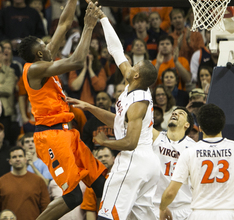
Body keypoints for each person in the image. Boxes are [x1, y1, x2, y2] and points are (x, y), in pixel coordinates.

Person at [67, 8, 160, 220]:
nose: (129, 64)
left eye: (133, 64)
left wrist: (105, 142)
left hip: (133, 160)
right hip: (148, 165)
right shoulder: (134, 83)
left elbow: (130, 142)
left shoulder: (138, 103)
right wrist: (103, 19)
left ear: (136, 74)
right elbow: (116, 50)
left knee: (107, 215)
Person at [17, 2, 107, 220]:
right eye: (44, 45)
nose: (49, 46)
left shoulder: (43, 58)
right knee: (74, 196)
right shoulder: (36, 69)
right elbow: (76, 61)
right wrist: (87, 26)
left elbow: (65, 23)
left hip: (68, 133)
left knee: (103, 184)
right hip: (51, 136)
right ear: (40, 52)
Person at [160, 104, 234, 220]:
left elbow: (170, 193)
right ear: (222, 125)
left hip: (198, 214)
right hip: (229, 214)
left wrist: (163, 208)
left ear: (200, 128)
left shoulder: (190, 151)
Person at [152, 106, 195, 219]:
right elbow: (131, 123)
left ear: (187, 124)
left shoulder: (194, 148)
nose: (175, 114)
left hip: (185, 208)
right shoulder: (156, 138)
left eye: (181, 113)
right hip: (156, 206)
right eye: (173, 113)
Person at [0, 146, 50, 220]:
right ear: (10, 161)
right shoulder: (1, 182)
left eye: (20, 156)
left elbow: (45, 207)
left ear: (25, 159)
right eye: (14, 157)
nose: (17, 159)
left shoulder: (38, 181)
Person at [0, 43, 16, 145]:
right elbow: (4, 88)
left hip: (5, 113)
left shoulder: (10, 71)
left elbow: (8, 90)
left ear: (3, 54)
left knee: (5, 141)